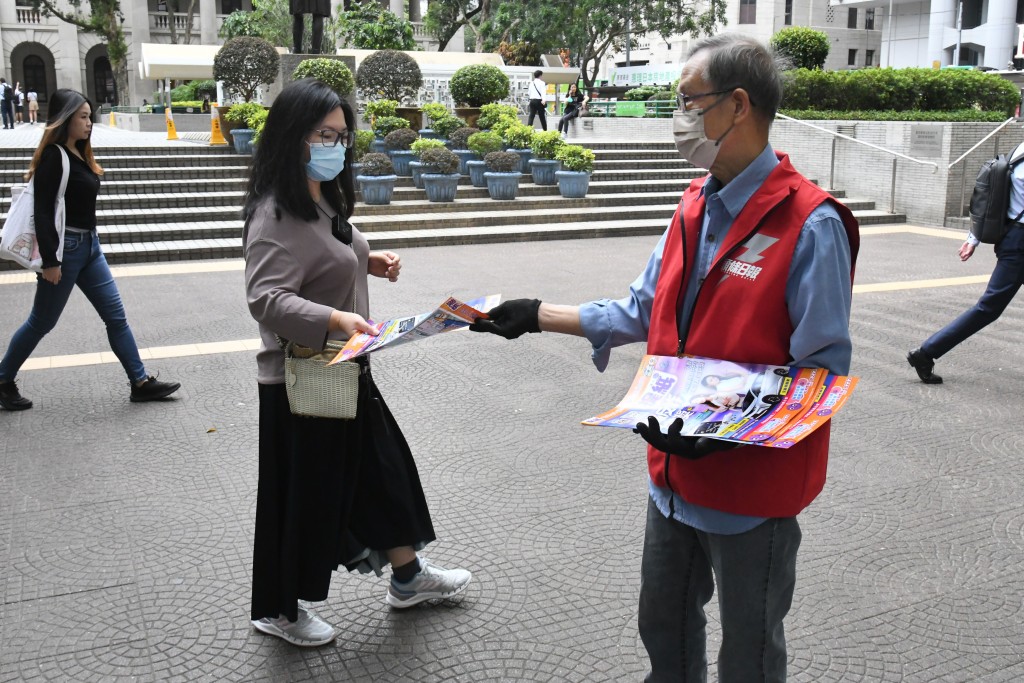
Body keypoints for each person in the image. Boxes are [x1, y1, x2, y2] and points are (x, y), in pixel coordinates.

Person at [471, 34, 859, 683]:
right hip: (673, 480)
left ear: (737, 107)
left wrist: (725, 429)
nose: (678, 119)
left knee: (749, 653)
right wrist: (535, 314)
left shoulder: (809, 224)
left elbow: (819, 378)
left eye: (688, 103)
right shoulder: (692, 206)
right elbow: (643, 308)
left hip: (750, 493)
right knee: (665, 628)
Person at [243, 78, 472, 648]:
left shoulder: (319, 195)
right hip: (303, 381)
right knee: (305, 497)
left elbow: (334, 248)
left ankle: (409, 578)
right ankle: (278, 610)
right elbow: (266, 298)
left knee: (381, 475)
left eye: (343, 135)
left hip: (347, 367)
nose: (337, 146)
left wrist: (371, 262)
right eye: (325, 134)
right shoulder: (275, 212)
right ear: (294, 137)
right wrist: (334, 319)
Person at [0, 89, 181, 411]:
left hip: (90, 248)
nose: (89, 123)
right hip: (65, 251)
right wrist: (51, 262)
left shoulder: (80, 153)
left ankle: (140, 382)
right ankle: (2, 379)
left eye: (89, 116)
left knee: (116, 316)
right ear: (65, 119)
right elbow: (42, 211)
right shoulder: (54, 157)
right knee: (41, 322)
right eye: (82, 117)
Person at [907, 173, 1024, 383]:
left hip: (1014, 237)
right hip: (1019, 245)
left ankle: (926, 353)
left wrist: (974, 237)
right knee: (988, 307)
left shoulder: (1017, 154)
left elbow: (991, 198)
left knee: (988, 308)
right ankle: (925, 353)